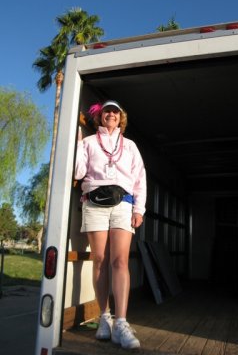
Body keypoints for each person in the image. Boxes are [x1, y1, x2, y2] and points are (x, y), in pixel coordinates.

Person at [75, 100, 146, 349]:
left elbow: (140, 178)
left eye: (115, 111)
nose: (111, 114)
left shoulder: (130, 146)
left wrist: (139, 209)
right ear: (100, 116)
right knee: (100, 260)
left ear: (121, 117)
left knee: (120, 261)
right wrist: (76, 144)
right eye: (107, 111)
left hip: (123, 204)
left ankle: (121, 322)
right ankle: (104, 318)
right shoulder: (88, 143)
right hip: (94, 203)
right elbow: (77, 173)